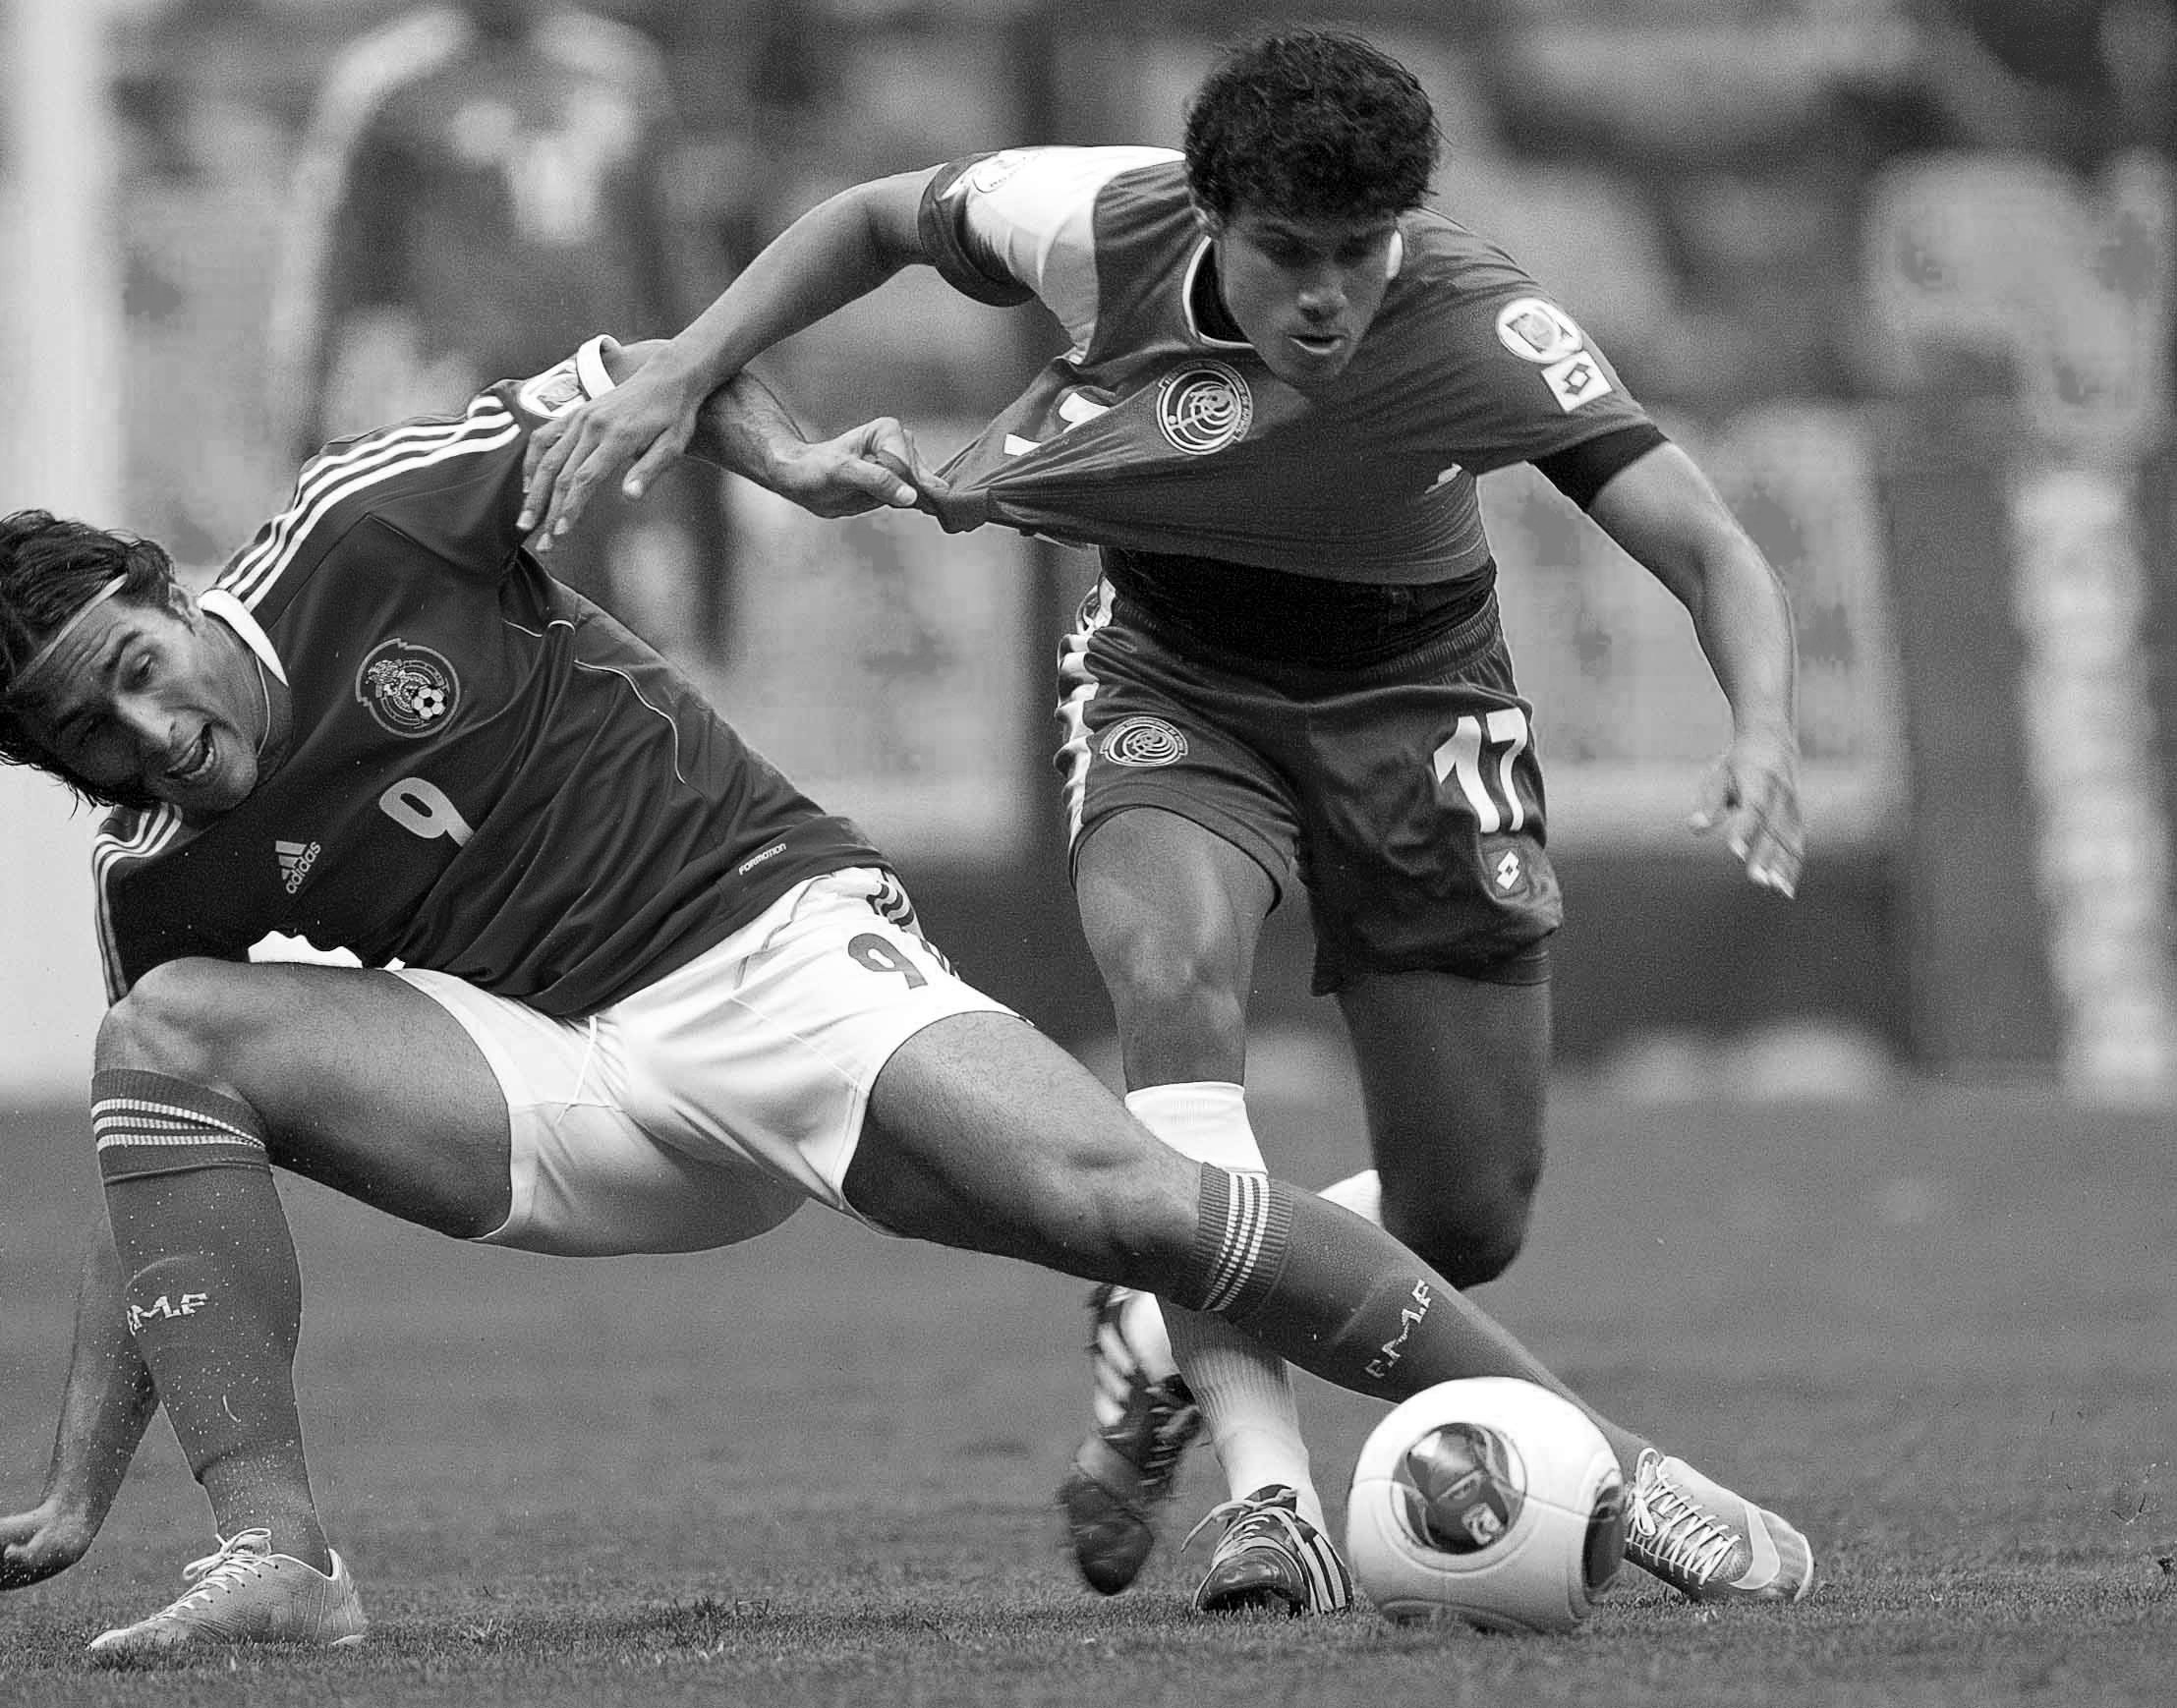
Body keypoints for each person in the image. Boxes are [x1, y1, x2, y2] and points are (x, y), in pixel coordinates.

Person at [0, 336, 1811, 1658]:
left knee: (1137, 1204)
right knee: (164, 1034)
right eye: (90, 729)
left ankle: (1622, 1471)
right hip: (572, 1088)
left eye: (138, 662)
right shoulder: (154, 867)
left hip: (767, 944)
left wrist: (789, 457)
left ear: (163, 582)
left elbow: (663, 360)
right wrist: (70, 1492)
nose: (153, 727)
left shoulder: (367, 524)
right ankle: (276, 1555)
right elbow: (152, 1163)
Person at [516, 26, 1806, 1617]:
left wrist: (1762, 730)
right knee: (1172, 991)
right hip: (1172, 684)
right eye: (1287, 255)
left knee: (1464, 1218)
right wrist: (690, 357)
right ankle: (1270, 1503)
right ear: (1207, 216)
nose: (1329, 294)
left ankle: (1154, 1320)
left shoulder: (1478, 321)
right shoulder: (1095, 220)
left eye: (1361, 251)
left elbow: (1707, 542)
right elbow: (871, 219)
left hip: (1417, 707)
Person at [267, 0, 720, 628]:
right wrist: (307, 415)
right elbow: (332, 272)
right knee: (466, 628)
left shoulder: (617, 71)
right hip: (466, 412)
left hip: (605, 395)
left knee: (618, 636)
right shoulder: (391, 84)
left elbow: (672, 261)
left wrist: (712, 373)